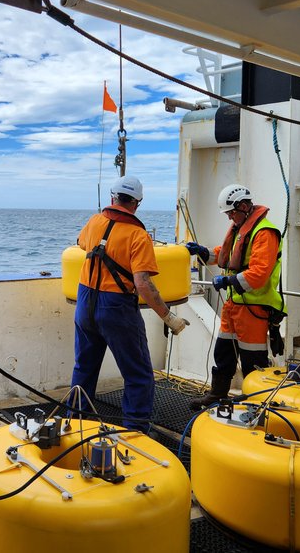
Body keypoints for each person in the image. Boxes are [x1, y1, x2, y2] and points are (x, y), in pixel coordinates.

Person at [70, 175, 189, 431]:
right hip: (116, 309)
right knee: (138, 376)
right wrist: (169, 317)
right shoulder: (138, 235)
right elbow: (143, 283)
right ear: (136, 203)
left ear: (112, 198)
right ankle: (135, 436)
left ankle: (75, 425)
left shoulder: (94, 221)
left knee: (84, 368)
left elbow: (81, 244)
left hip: (85, 302)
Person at [186, 183, 284, 410]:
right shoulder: (242, 229)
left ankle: (256, 405)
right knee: (223, 353)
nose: (229, 217)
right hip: (234, 306)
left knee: (253, 361)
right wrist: (203, 251)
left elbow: (258, 274)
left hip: (254, 308)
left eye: (231, 212)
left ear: (243, 206)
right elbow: (225, 254)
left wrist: (228, 280)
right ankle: (217, 395)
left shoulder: (265, 232)